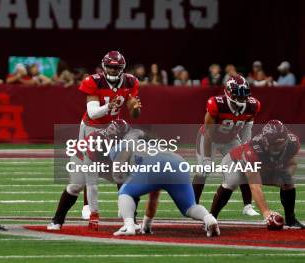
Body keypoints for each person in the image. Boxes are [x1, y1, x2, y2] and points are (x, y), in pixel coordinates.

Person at [47, 51, 141, 231]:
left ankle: (131, 219)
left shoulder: (130, 81)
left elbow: (134, 111)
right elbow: (92, 113)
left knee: (126, 173)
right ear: (104, 66)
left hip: (113, 130)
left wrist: (135, 108)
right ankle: (58, 219)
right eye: (110, 66)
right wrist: (109, 106)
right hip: (91, 130)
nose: (113, 70)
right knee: (78, 184)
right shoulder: (93, 81)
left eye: (117, 67)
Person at [210, 120, 304, 229]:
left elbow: (292, 163)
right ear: (265, 142)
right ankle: (211, 218)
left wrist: (285, 176)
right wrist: (266, 212)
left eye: (281, 143)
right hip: (235, 162)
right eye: (275, 144)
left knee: (288, 181)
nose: (279, 147)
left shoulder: (292, 143)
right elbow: (255, 186)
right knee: (233, 181)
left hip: (263, 168)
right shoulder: (253, 151)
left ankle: (291, 220)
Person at [112, 142, 219, 237]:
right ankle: (210, 220)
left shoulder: (119, 148)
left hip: (155, 164)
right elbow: (154, 195)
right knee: (190, 207)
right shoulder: (146, 147)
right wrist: (147, 225)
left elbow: (120, 165)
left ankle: (128, 226)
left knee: (125, 192)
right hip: (178, 162)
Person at [192, 75, 260, 216]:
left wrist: (246, 148)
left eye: (244, 96)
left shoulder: (253, 106)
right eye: (238, 96)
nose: (242, 99)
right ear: (229, 93)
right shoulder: (217, 104)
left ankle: (247, 205)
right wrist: (206, 158)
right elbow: (209, 131)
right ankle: (192, 204)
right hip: (209, 137)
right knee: (203, 170)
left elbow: (247, 128)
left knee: (245, 165)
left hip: (230, 138)